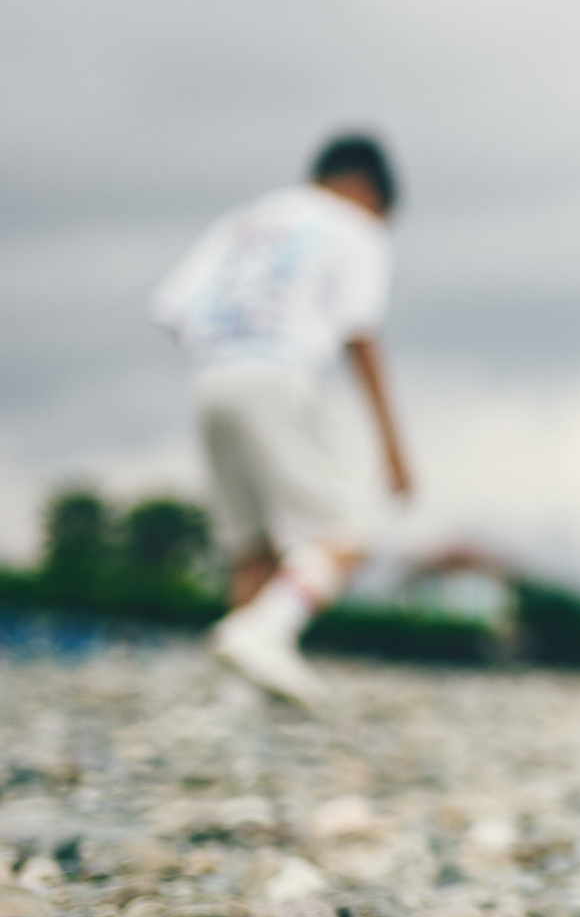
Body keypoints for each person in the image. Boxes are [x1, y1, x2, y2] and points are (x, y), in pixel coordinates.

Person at [150, 132, 412, 707]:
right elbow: (359, 332)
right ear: (369, 190)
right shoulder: (354, 225)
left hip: (212, 377)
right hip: (282, 375)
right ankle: (267, 631)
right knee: (348, 530)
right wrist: (393, 447)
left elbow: (173, 310)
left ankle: (238, 708)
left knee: (251, 548)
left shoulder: (249, 219)